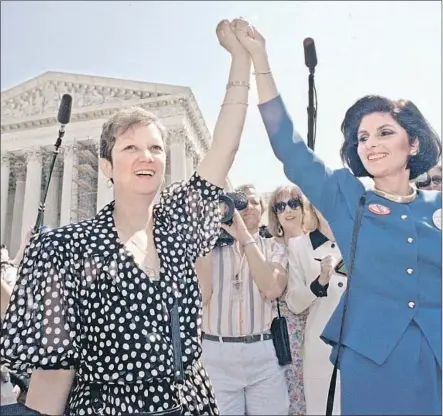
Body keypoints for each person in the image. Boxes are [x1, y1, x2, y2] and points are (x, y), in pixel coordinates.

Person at [0, 18, 251, 416]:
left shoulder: (179, 230)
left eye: (155, 148)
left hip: (189, 404)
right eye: (130, 147)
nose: (145, 156)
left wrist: (241, 59)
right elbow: (53, 373)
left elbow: (225, 148)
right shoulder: (63, 249)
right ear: (106, 165)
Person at [231, 17, 442, 416]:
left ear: (413, 142)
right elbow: (290, 149)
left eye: (384, 132)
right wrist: (261, 61)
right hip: (372, 360)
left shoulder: (437, 207)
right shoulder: (348, 196)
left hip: (435, 361)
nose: (371, 144)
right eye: (362, 137)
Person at [197, 184, 289, 415]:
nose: (247, 207)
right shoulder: (208, 248)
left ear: (263, 210)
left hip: (263, 352)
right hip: (216, 354)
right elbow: (202, 294)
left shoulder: (274, 247)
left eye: (254, 202)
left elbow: (272, 288)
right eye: (240, 203)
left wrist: (246, 239)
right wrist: (206, 236)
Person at [268, 184, 343, 415]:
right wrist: (319, 281)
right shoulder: (299, 246)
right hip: (320, 347)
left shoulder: (358, 239)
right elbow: (294, 302)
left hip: (362, 346)